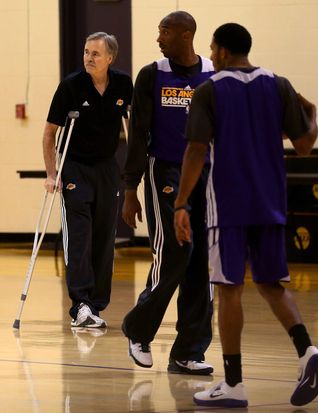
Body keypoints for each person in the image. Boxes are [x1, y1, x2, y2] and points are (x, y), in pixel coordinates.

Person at [174, 23, 318, 407]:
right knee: (273, 285)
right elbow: (306, 146)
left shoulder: (210, 90)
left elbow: (195, 150)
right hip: (271, 203)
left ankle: (234, 383)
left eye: (211, 48)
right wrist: (311, 115)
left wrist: (180, 203)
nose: (210, 55)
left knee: (229, 290)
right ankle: (307, 350)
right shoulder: (279, 84)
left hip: (228, 205)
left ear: (223, 51)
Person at [121, 11, 214, 375]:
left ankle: (189, 351)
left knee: (201, 262)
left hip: (205, 174)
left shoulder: (211, 73)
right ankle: (138, 330)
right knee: (176, 251)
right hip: (165, 171)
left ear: (186, 33)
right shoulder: (151, 74)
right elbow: (138, 133)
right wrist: (131, 188)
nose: (158, 37)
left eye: (165, 31)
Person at [43, 32, 133, 328]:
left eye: (95, 54)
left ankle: (96, 304)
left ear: (110, 58)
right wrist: (51, 174)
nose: (88, 58)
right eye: (85, 52)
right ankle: (80, 304)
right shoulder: (71, 86)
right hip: (75, 168)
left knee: (105, 236)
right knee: (79, 235)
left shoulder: (122, 84)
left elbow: (132, 126)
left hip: (107, 167)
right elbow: (49, 134)